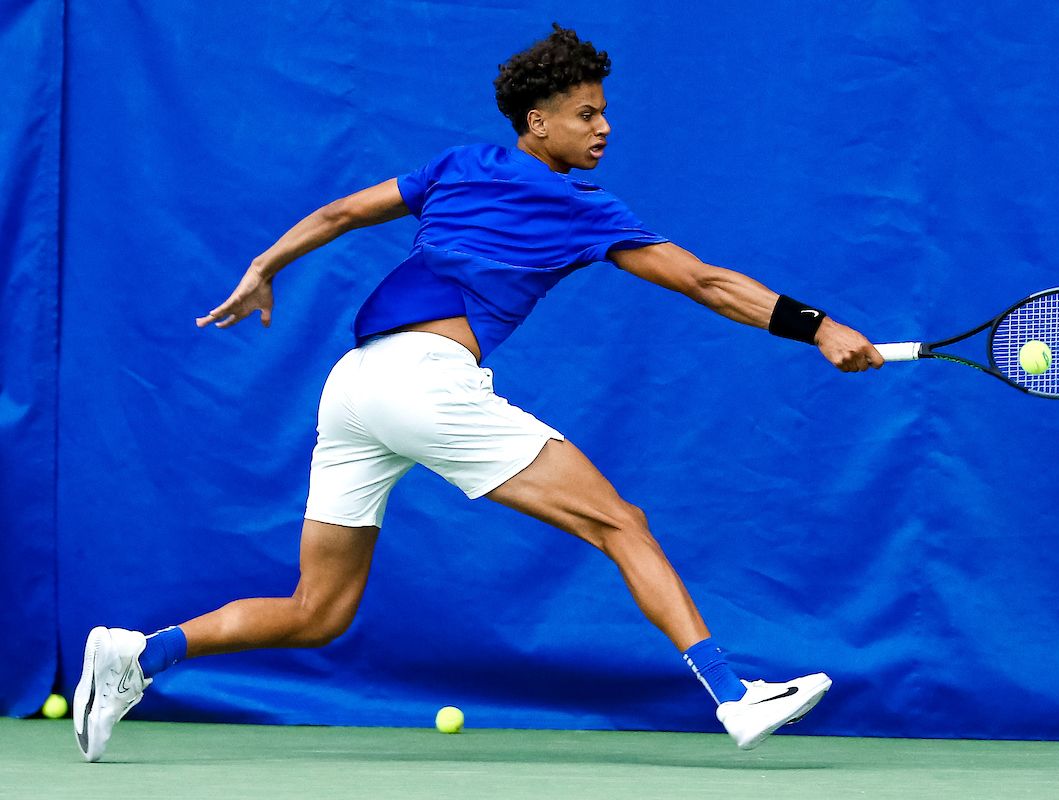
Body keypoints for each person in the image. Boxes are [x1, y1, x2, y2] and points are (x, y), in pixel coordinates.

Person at [73, 24, 883, 762]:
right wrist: (817, 327)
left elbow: (342, 211)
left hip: (352, 387)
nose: (603, 128)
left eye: (604, 114)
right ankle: (734, 696)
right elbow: (706, 282)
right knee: (620, 523)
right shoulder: (582, 209)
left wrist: (264, 267)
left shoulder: (459, 165)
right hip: (423, 383)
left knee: (318, 610)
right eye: (585, 114)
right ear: (537, 122)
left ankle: (140, 655)